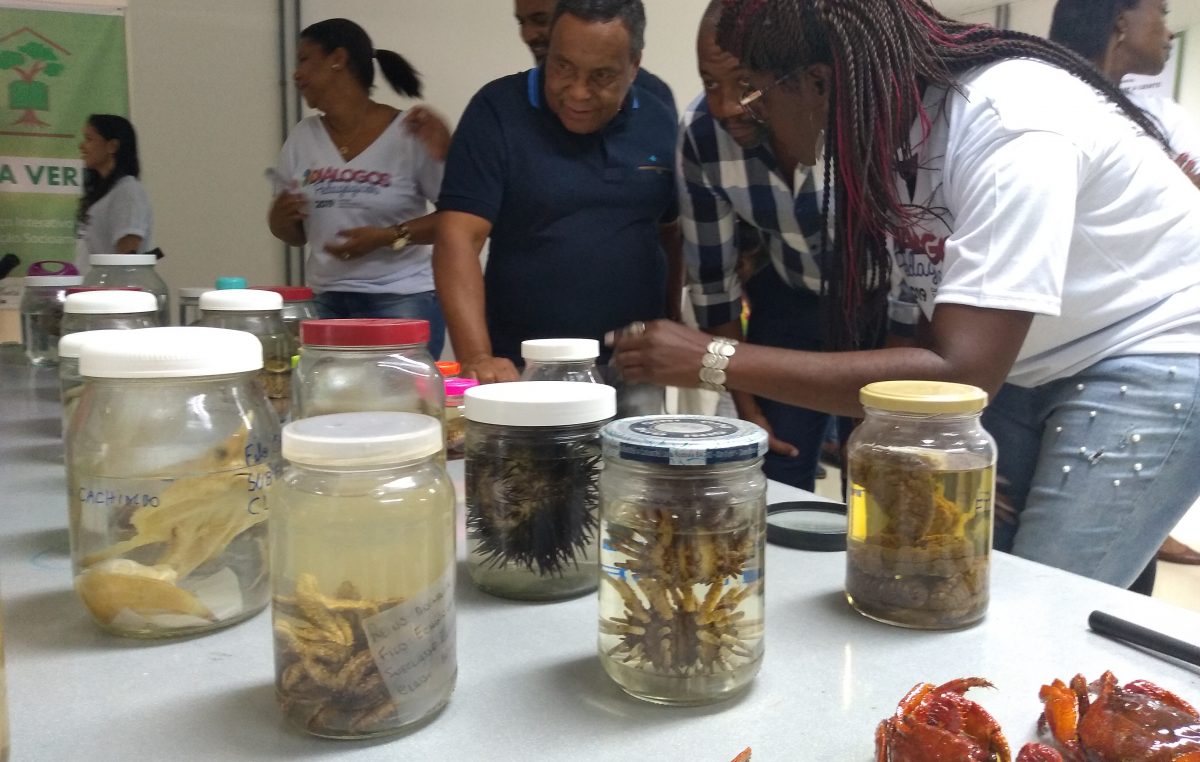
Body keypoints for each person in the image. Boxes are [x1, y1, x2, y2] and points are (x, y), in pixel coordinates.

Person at [610, 0, 1200, 590]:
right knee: (964, 575)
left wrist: (713, 360)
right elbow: (929, 314)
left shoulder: (1012, 124)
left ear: (817, 82)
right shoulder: (899, 127)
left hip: (1157, 349)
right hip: (1035, 361)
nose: (749, 116)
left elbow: (962, 373)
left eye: (759, 95)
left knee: (1047, 597)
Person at [435, 0, 681, 392]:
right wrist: (477, 357)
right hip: (524, 370)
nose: (578, 92)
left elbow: (671, 231)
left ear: (633, 65)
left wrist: (674, 322)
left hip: (635, 370)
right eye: (563, 67)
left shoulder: (658, 116)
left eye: (601, 76)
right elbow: (458, 237)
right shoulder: (496, 111)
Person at [1051, 0, 1200, 568]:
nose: (1168, 33)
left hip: (1138, 351)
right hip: (1032, 354)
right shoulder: (1039, 101)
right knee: (1019, 565)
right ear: (1120, 22)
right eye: (1160, 15)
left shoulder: (1164, 119)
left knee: (1092, 574)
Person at [677, 0, 842, 490]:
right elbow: (713, 280)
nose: (726, 106)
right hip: (790, 305)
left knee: (880, 474)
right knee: (772, 468)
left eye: (745, 85)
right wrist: (744, 402)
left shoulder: (848, 121)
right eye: (710, 84)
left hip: (880, 319)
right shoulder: (703, 136)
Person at [268, 18, 450, 358]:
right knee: (327, 404)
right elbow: (294, 235)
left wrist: (385, 237)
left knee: (401, 405)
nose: (296, 74)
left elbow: (454, 220)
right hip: (326, 300)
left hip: (402, 298)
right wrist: (278, 217)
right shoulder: (302, 137)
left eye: (304, 60)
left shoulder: (409, 132)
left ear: (337, 58)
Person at [514, 0, 676, 120]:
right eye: (522, 21)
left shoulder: (655, 99)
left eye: (541, 20)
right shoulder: (502, 108)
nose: (527, 35)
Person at [76, 114, 154, 270]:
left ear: (112, 146)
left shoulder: (127, 192)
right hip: (92, 290)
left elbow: (127, 258)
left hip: (111, 292)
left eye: (89, 139)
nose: (82, 146)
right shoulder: (105, 194)